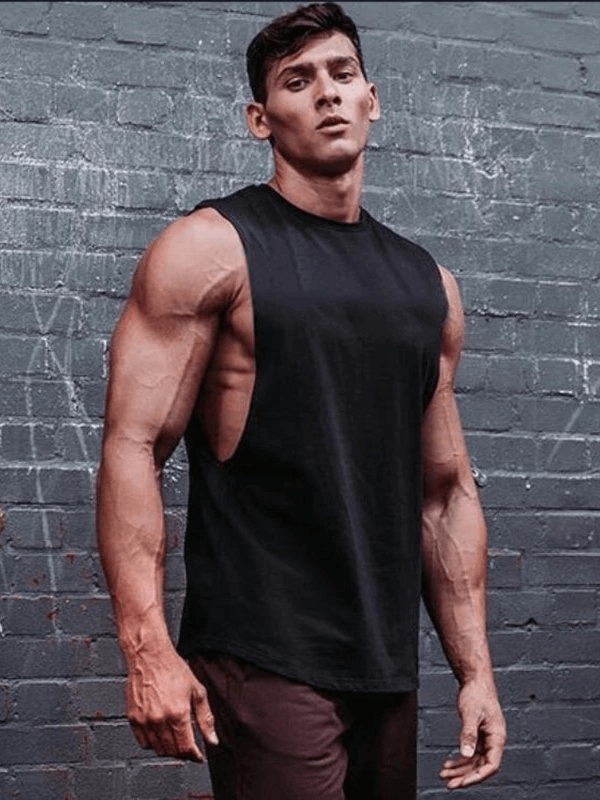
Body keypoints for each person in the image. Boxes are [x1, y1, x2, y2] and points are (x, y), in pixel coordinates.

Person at [96, 3, 506, 798]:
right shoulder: (211, 251)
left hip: (384, 663)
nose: (327, 93)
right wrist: (147, 650)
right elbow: (133, 446)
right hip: (262, 653)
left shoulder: (428, 286)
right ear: (261, 119)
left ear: (371, 99)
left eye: (342, 74)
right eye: (298, 80)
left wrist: (476, 673)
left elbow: (444, 491)